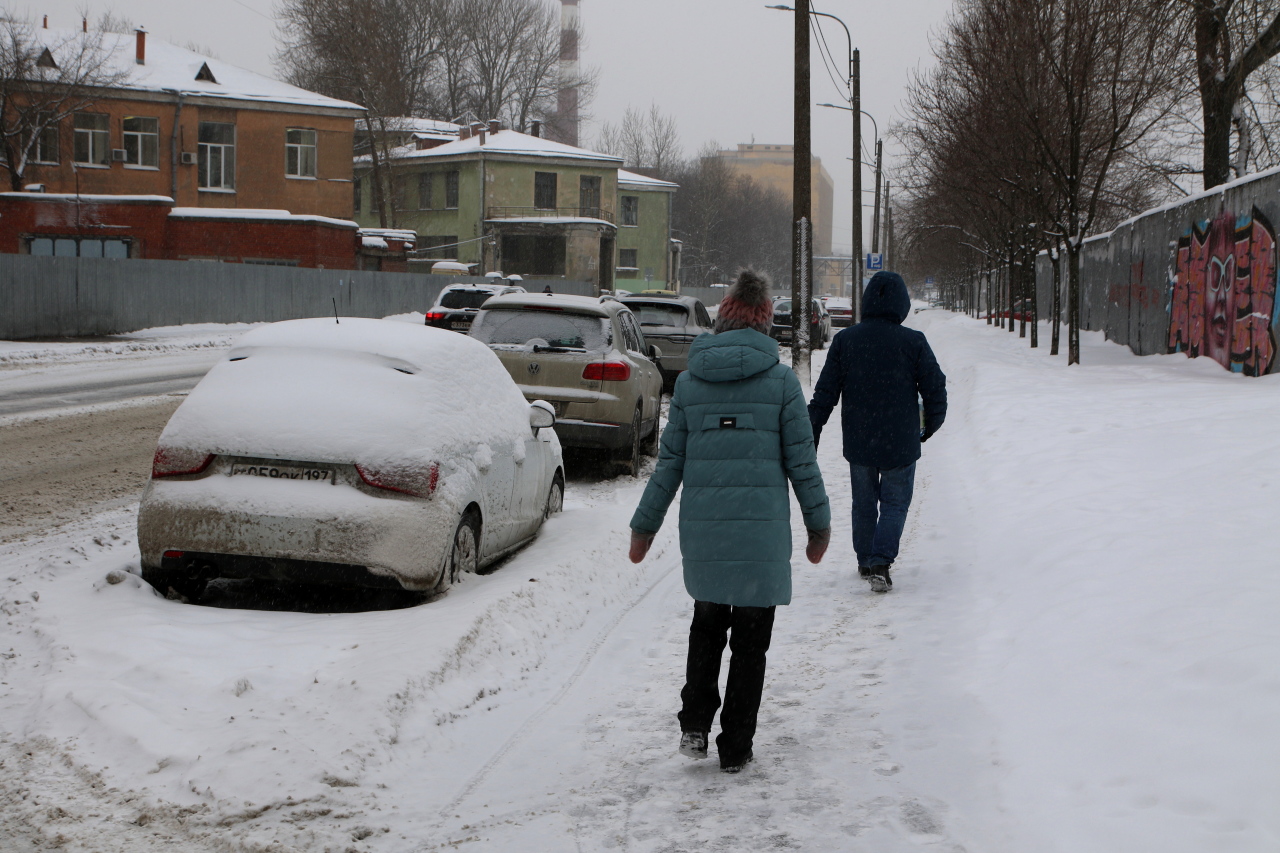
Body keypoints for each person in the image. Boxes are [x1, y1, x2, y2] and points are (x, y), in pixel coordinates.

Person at [628, 269, 831, 774]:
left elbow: (669, 464)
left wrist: (644, 526)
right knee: (751, 644)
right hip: (761, 538)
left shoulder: (693, 384)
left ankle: (695, 723)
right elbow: (802, 462)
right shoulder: (783, 382)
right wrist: (818, 526)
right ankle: (736, 745)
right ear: (765, 325)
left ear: (721, 320)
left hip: (707, 534)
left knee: (707, 627)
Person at [808, 270, 947, 593]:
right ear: (902, 304)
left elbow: (825, 392)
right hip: (901, 439)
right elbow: (934, 388)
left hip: (860, 438)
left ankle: (866, 558)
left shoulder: (846, 340)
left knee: (864, 502)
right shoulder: (913, 342)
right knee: (895, 503)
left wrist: (811, 430)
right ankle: (881, 561)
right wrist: (930, 425)